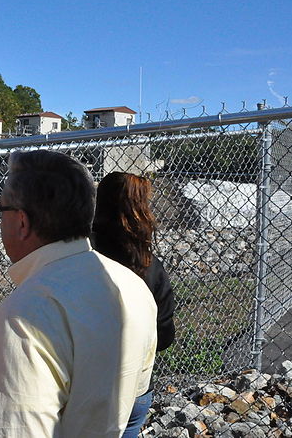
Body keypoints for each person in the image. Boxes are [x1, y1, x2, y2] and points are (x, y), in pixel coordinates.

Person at [0, 150, 157, 437]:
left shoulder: (23, 321)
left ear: (22, 222)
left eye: (1, 210)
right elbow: (134, 394)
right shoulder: (131, 286)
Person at [93, 171, 175, 438]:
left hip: (89, 387)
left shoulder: (83, 257)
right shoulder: (152, 268)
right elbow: (164, 337)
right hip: (137, 389)